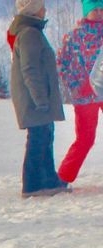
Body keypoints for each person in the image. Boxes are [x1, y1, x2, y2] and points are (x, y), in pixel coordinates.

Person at [8, 0, 69, 198]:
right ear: (34, 11)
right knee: (38, 138)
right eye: (41, 6)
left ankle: (48, 179)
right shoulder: (29, 34)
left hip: (38, 98)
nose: (45, 9)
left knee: (46, 134)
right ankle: (33, 184)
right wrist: (40, 98)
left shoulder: (31, 32)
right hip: (34, 99)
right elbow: (30, 69)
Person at [56, 1, 103, 186]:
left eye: (102, 9)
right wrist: (77, 85)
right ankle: (62, 177)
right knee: (85, 139)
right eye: (95, 10)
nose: (99, 13)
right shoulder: (74, 37)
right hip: (85, 98)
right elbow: (61, 64)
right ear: (86, 12)